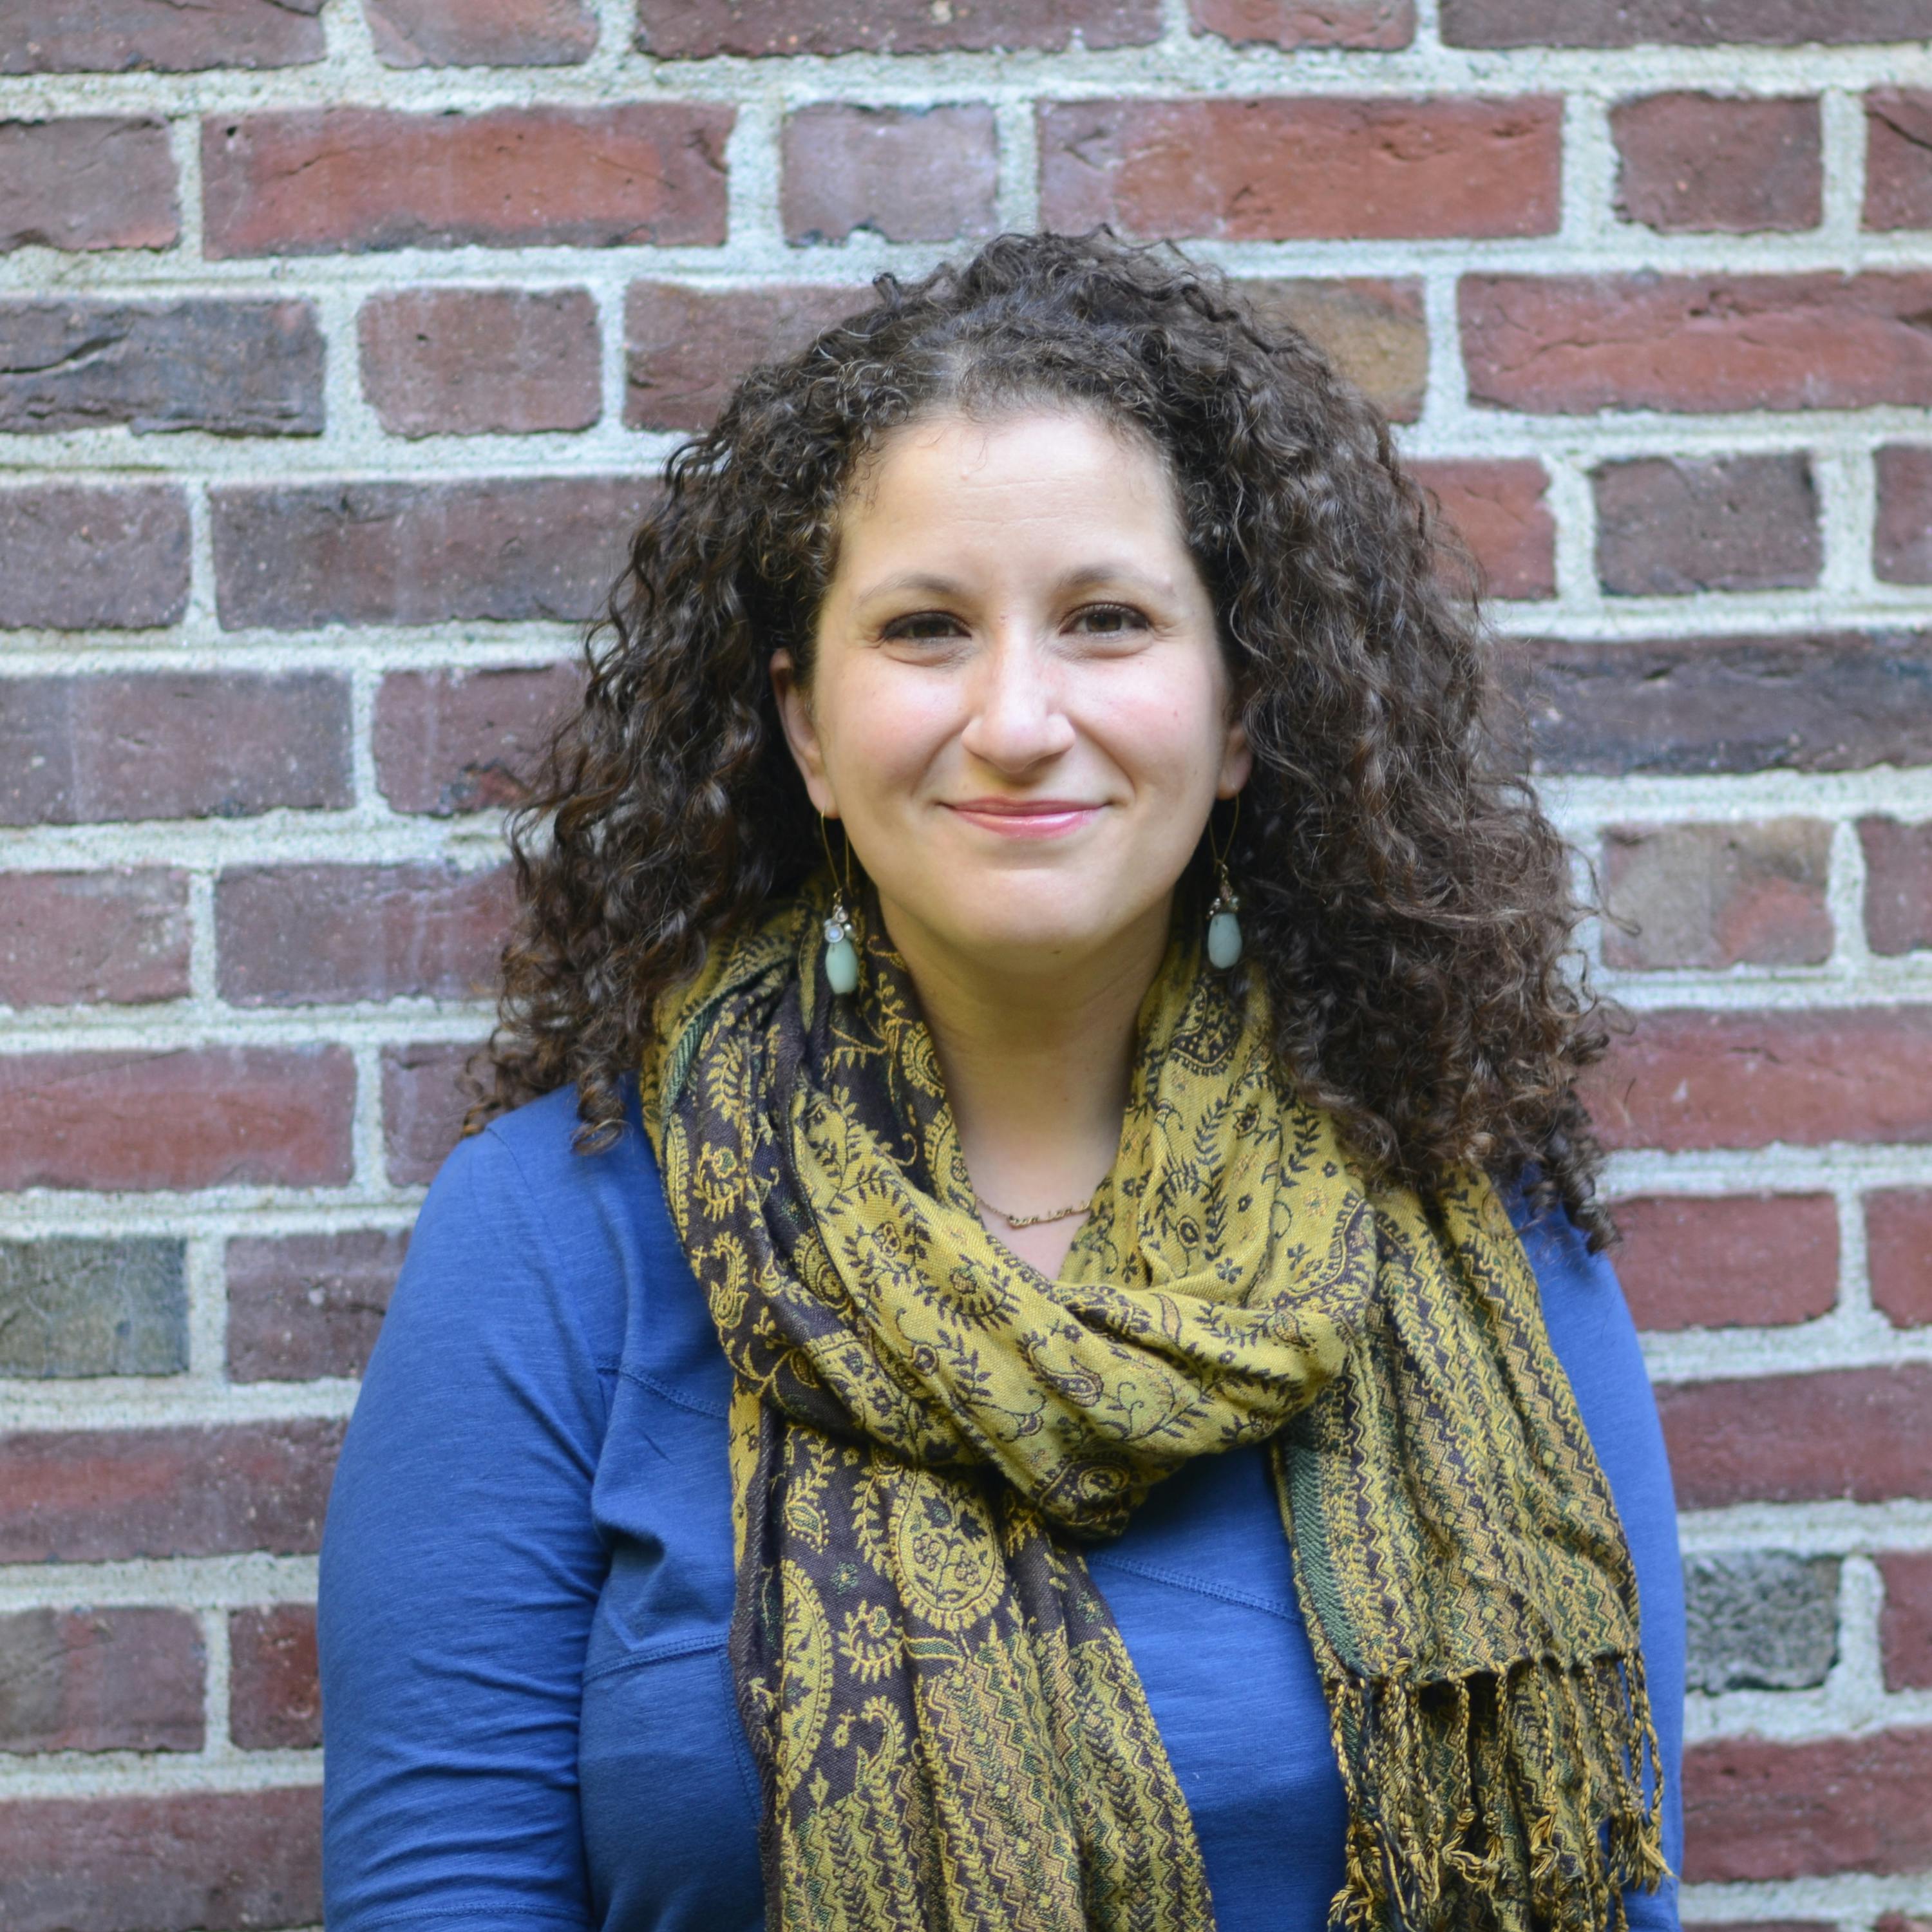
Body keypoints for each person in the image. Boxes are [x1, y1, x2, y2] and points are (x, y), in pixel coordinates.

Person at [319, 230, 1686, 1932]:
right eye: (925, 628)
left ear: (1242, 714)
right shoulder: (556, 1240)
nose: (1020, 715)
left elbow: (1611, 1881)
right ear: (808, 733)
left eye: (1106, 621)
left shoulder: (1475, 1229)